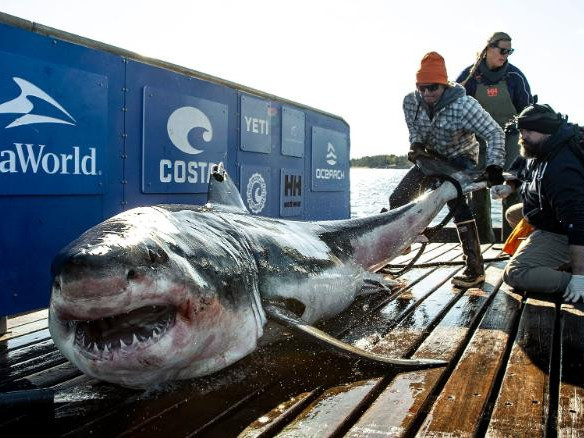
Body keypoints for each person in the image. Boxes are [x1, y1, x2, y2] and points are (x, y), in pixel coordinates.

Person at [390, 51, 506, 288]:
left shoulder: (464, 106)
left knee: (456, 203)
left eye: (432, 88)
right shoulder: (410, 101)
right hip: (431, 156)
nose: (426, 93)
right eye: (421, 88)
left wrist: (494, 165)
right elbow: (414, 129)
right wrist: (416, 144)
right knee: (398, 197)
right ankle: (403, 241)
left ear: (443, 85)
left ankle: (475, 269)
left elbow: (494, 133)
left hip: (461, 158)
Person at [490, 103, 584, 301]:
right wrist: (509, 187)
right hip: (548, 215)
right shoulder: (539, 147)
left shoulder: (561, 168)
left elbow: (577, 223)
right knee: (512, 214)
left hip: (565, 229)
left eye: (528, 131)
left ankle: (573, 274)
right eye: (521, 130)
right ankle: (555, 258)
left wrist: (578, 278)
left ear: (547, 132)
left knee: (515, 273)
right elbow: (522, 167)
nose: (522, 136)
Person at [457, 32, 532, 242]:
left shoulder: (515, 77)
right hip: (478, 139)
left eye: (510, 51)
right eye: (502, 50)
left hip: (510, 137)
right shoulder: (469, 77)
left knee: (511, 187)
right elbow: (455, 108)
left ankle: (512, 243)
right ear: (488, 48)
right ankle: (483, 242)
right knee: (478, 191)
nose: (506, 55)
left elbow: (526, 111)